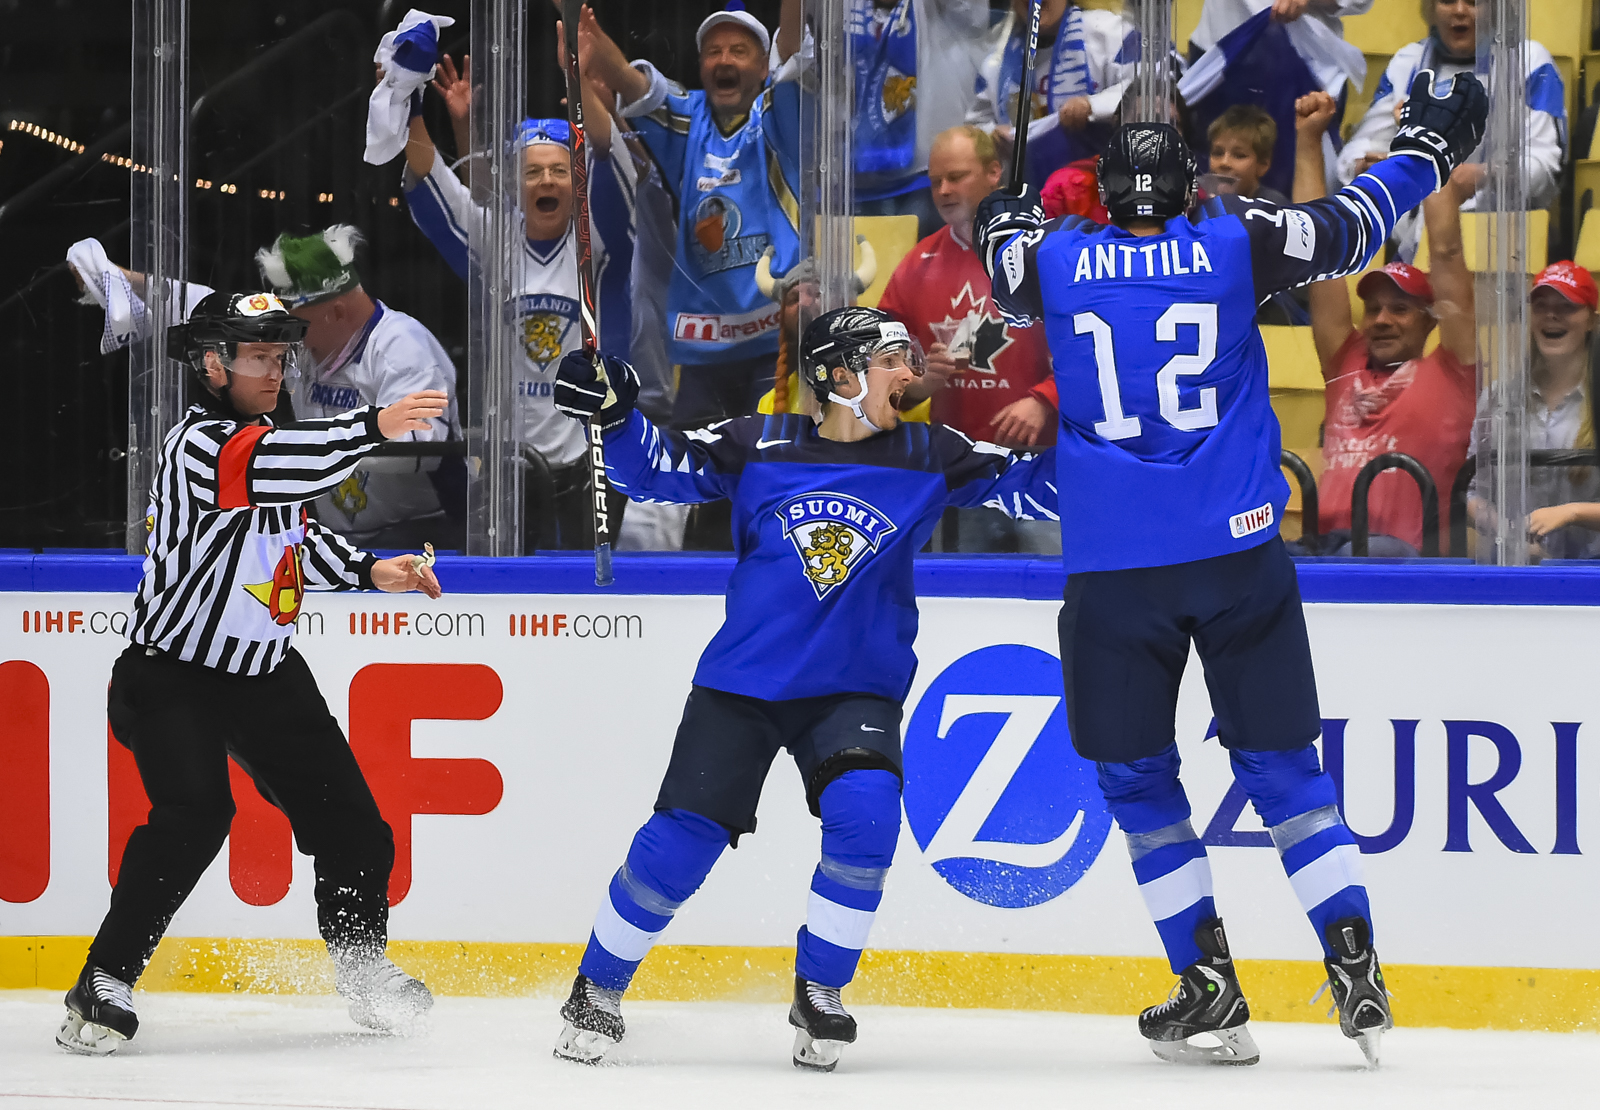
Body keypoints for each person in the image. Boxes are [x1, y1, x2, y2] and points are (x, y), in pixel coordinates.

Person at [975, 69, 1486, 1065]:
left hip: (1117, 570)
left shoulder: (1057, 261)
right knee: (1284, 769)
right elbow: (1347, 223)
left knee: (1136, 777)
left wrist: (1007, 207)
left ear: (1101, 194)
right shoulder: (1230, 242)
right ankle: (1350, 955)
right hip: (1238, 551)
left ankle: (1205, 982)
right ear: (1189, 190)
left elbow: (999, 259)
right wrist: (1421, 154)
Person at [545, 307, 1057, 1070]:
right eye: (891, 361)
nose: (909, 375)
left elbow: (1039, 488)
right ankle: (596, 987)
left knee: (868, 814)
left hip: (855, 688)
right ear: (839, 374)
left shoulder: (931, 451)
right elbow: (652, 470)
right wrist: (615, 412)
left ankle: (819, 989)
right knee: (678, 848)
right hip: (744, 681)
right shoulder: (758, 441)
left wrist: (1122, 441)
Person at [56, 291, 449, 1056]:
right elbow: (272, 469)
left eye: (281, 356)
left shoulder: (275, 445)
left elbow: (293, 547)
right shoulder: (198, 445)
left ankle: (364, 973)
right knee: (195, 815)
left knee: (357, 831)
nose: (276, 369)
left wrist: (376, 571)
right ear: (213, 364)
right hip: (172, 674)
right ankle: (103, 980)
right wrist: (373, 425)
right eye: (260, 357)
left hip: (265, 675)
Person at [394, 25, 636, 550]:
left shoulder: (602, 238)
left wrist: (574, 78)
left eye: (558, 171)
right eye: (532, 173)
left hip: (592, 459)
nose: (546, 182)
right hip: (511, 464)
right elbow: (432, 177)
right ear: (515, 183)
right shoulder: (495, 238)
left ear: (577, 182)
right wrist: (405, 97)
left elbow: (604, 148)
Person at [66, 232, 464, 549]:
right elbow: (204, 305)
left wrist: (292, 451)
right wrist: (120, 280)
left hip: (415, 535)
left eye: (293, 321)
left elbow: (418, 451)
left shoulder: (403, 348)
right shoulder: (315, 341)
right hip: (340, 532)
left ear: (336, 311)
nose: (284, 337)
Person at [569, 2, 804, 428]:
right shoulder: (690, 118)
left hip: (773, 343)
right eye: (713, 52)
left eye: (738, 50)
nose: (724, 60)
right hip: (702, 351)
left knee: (767, 474)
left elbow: (789, 51)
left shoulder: (778, 114)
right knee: (697, 476)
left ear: (761, 67)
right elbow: (631, 83)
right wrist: (584, 32)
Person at [1297, 91, 1475, 557]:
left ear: (1428, 320)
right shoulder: (1347, 359)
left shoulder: (1453, 372)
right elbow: (1314, 255)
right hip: (1323, 548)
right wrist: (1308, 141)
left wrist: (1428, 147)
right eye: (1373, 308)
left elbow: (1447, 253)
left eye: (1399, 308)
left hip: (1397, 559)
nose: (1380, 319)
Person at [879, 125, 1059, 553]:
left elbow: (1097, 343)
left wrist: (1044, 398)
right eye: (935, 180)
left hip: (1046, 467)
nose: (942, 191)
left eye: (957, 177)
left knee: (1059, 594)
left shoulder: (1049, 251)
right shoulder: (916, 266)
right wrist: (916, 386)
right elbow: (878, 371)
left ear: (995, 172)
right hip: (964, 477)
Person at [1336, 0, 1565, 251]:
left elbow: (1545, 168)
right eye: (1447, 1)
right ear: (1431, 8)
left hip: (1497, 240)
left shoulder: (1530, 62)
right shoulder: (1407, 63)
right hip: (1409, 238)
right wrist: (1369, 166)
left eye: (1473, 2)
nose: (1459, 11)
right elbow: (1358, 151)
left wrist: (1486, 174)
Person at [1478, 262, 1600, 561]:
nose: (1551, 315)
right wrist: (1509, 532)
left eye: (1567, 306)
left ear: (1591, 321)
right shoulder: (1499, 397)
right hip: (1518, 569)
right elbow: (1472, 493)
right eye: (1540, 305)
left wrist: (1571, 513)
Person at [851, 0, 995, 240]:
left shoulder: (933, 8)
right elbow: (797, 59)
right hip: (854, 186)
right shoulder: (841, 10)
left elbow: (971, 14)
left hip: (929, 182)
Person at [968, 0, 1135, 190]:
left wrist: (1093, 105)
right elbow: (975, 127)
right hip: (1029, 198)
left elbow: (1154, 90)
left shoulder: (1111, 34)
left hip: (1107, 193)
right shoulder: (996, 60)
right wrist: (991, 135)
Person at [1205, 104, 1287, 204]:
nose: (1224, 162)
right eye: (1217, 153)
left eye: (1239, 155)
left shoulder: (1273, 207)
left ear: (1263, 165)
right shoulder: (1200, 202)